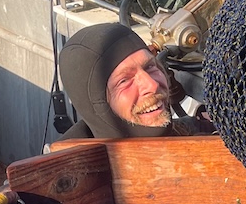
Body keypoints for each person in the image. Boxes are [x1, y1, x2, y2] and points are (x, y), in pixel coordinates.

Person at [57, 23, 214, 139]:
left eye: (150, 67)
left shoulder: (196, 133)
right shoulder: (75, 177)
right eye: (124, 80)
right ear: (95, 104)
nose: (152, 85)